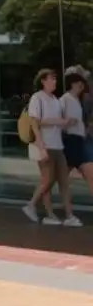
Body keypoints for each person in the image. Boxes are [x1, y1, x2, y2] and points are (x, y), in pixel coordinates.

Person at [22, 68, 79, 226]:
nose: (54, 82)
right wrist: (41, 146)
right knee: (47, 179)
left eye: (55, 79)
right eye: (51, 79)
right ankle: (35, 207)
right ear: (43, 81)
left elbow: (56, 123)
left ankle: (68, 215)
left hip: (57, 145)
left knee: (62, 180)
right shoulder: (37, 98)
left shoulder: (55, 100)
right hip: (45, 145)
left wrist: (66, 123)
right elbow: (35, 122)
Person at [60, 69, 93, 206]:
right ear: (72, 83)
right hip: (71, 142)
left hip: (79, 141)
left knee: (58, 178)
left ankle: (36, 203)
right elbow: (58, 121)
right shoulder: (65, 100)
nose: (82, 85)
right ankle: (36, 203)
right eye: (79, 82)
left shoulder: (78, 100)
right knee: (54, 179)